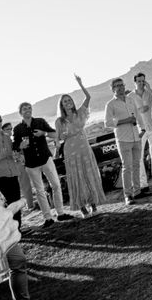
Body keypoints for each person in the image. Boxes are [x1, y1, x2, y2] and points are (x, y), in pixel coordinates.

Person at [12, 103, 73, 228]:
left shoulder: (40, 121)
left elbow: (55, 134)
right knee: (40, 191)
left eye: (29, 108)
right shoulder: (17, 129)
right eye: (24, 109)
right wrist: (20, 146)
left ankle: (60, 213)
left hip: (46, 159)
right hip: (31, 164)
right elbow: (15, 147)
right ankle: (48, 218)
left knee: (56, 185)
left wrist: (43, 133)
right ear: (20, 113)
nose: (28, 110)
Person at [55, 74, 106, 217]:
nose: (68, 102)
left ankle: (94, 205)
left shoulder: (80, 112)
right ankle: (82, 208)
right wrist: (62, 137)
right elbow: (58, 139)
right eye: (65, 101)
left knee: (89, 174)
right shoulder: (60, 121)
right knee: (77, 177)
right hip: (71, 151)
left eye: (69, 100)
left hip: (84, 148)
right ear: (62, 105)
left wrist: (80, 84)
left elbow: (88, 97)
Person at [105, 78, 149, 205]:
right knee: (127, 167)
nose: (120, 87)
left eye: (121, 85)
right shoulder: (110, 104)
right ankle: (128, 195)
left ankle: (137, 191)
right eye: (117, 86)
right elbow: (107, 123)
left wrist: (143, 128)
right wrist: (125, 121)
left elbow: (138, 116)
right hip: (123, 139)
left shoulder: (130, 100)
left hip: (136, 136)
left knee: (137, 165)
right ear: (113, 89)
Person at [128, 73, 152, 190]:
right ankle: (143, 184)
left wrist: (149, 88)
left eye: (143, 81)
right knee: (139, 158)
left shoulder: (149, 93)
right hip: (140, 129)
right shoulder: (130, 96)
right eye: (139, 81)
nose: (141, 83)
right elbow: (129, 112)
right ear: (135, 82)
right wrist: (139, 110)